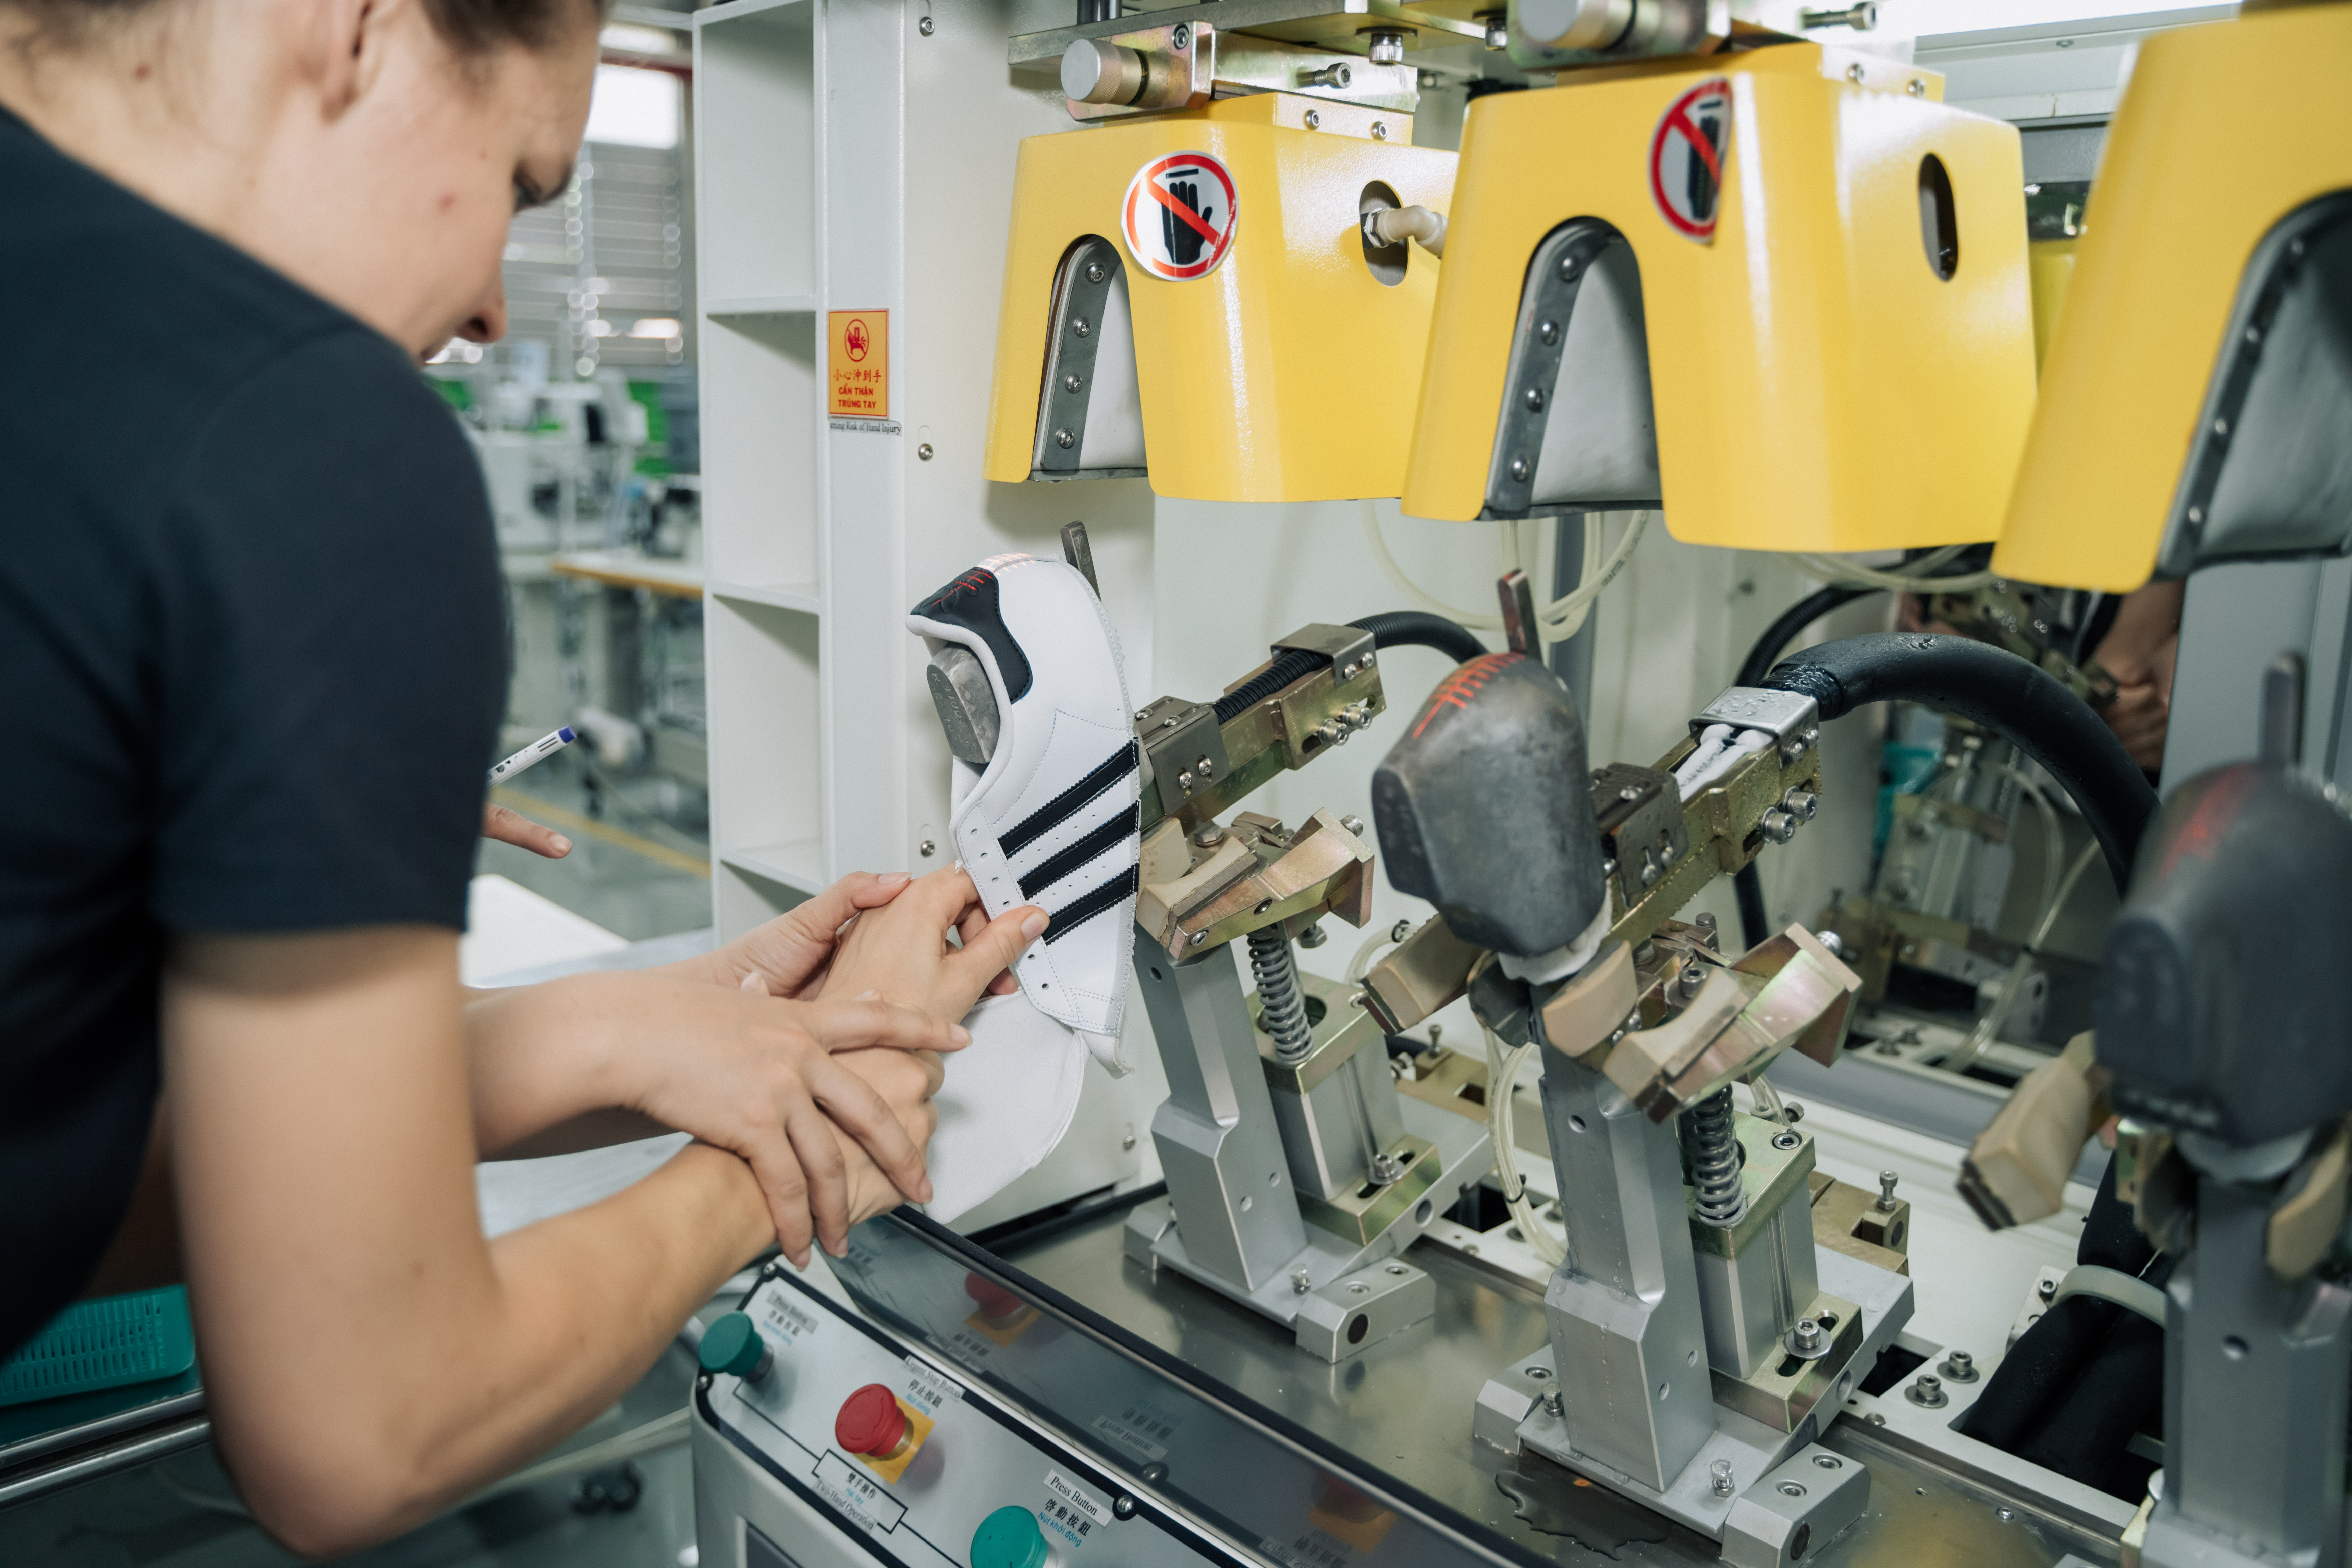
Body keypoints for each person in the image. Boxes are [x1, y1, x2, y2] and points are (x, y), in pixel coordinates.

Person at [0, 0, 1040, 1553]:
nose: (493, 307)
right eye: (521, 182)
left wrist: (601, 1030)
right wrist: (789, 1157)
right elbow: (366, 1426)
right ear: (352, 25)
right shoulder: (302, 439)